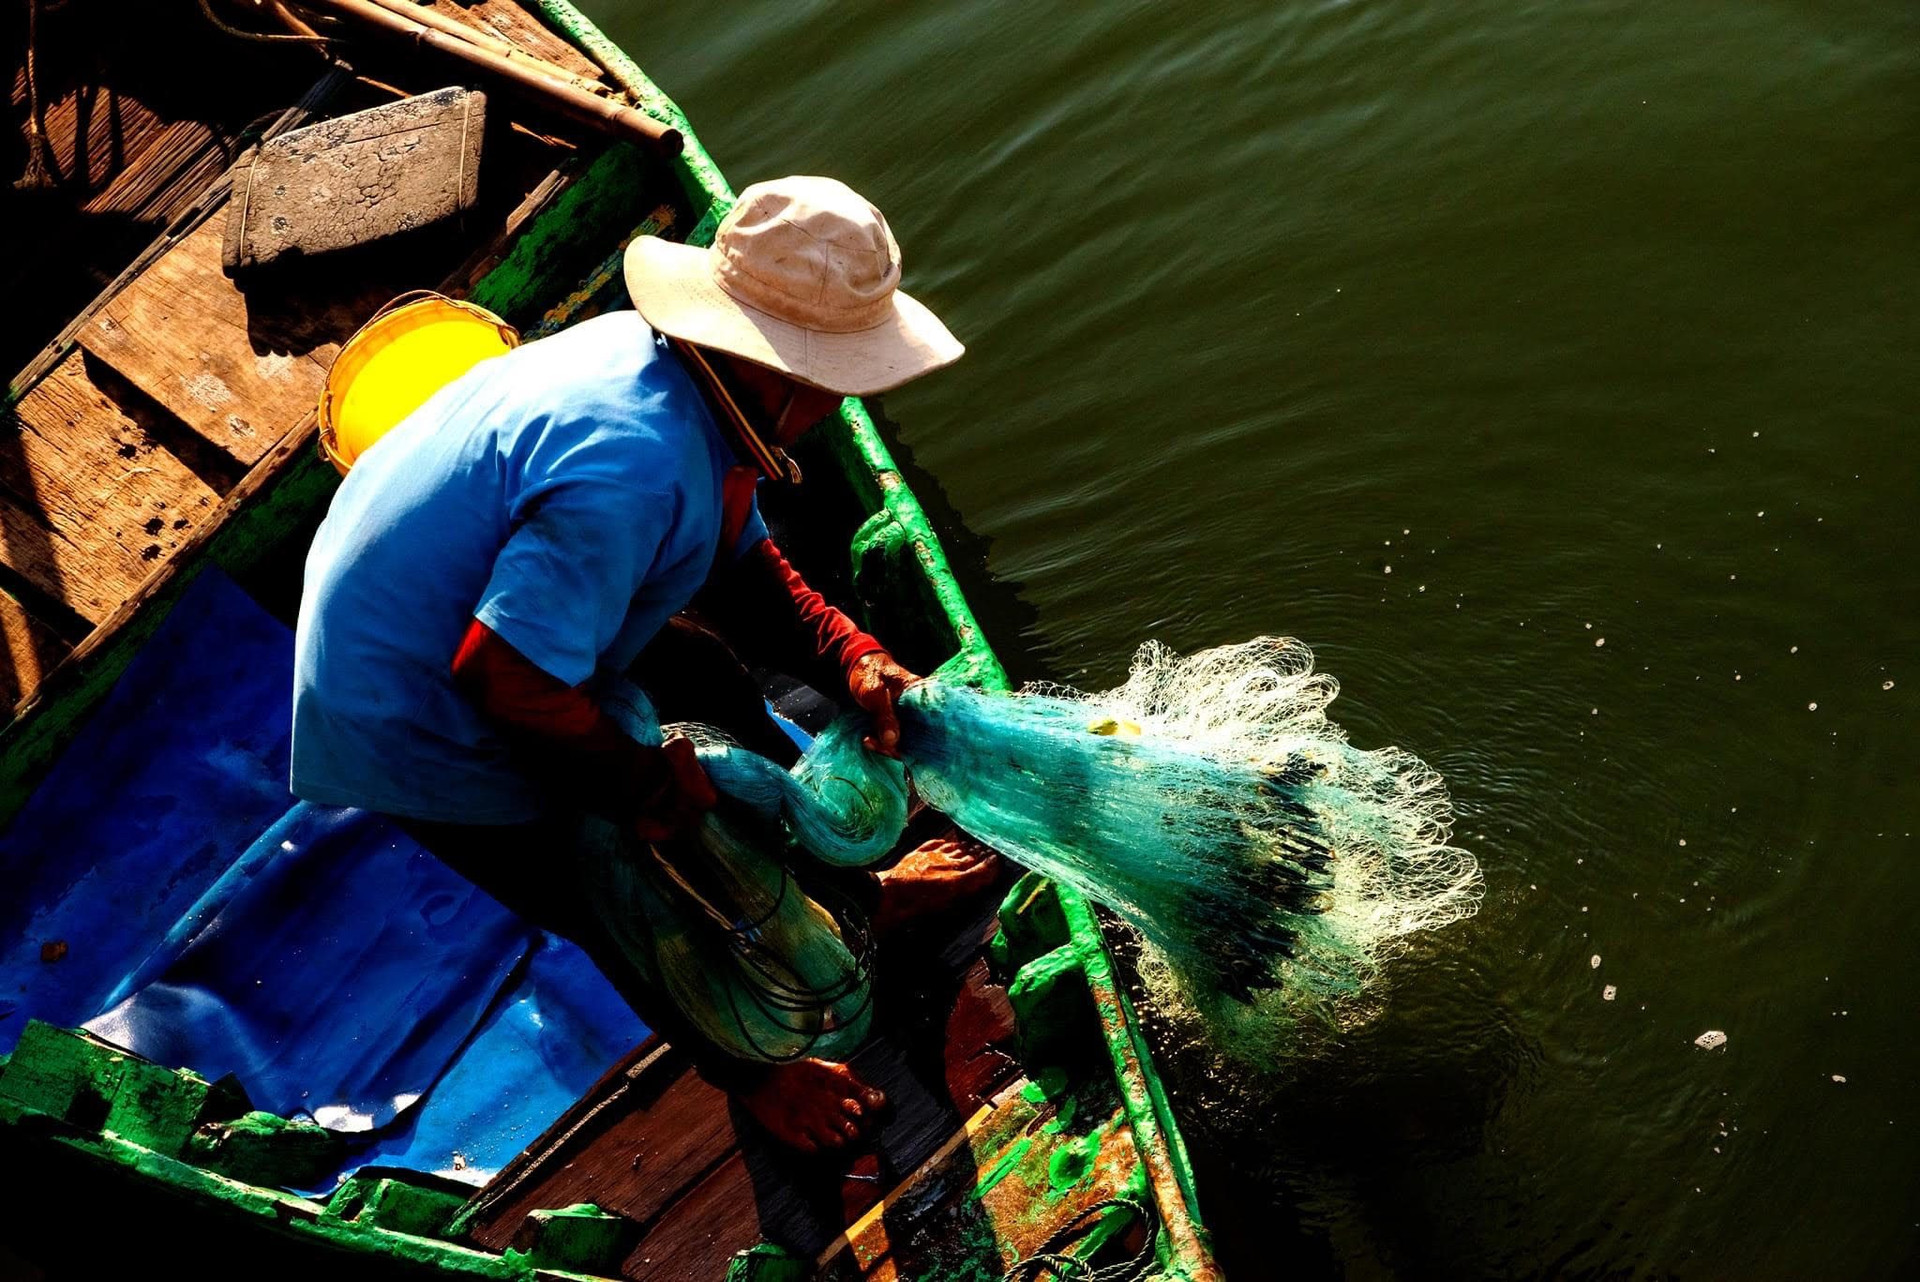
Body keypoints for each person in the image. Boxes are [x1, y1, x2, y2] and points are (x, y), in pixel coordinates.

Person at [291, 176, 999, 1153]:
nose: (843, 397)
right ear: (778, 365)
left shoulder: (682, 376)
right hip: (408, 702)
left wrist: (852, 656)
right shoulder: (630, 464)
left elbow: (742, 565)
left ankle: (855, 900)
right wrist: (640, 782)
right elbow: (501, 679)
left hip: (493, 610)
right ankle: (754, 1070)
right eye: (840, 372)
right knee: (608, 874)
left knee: (704, 681)